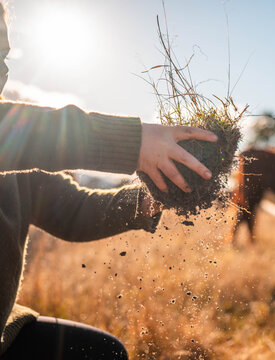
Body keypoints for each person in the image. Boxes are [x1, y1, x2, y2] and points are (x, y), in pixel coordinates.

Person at [0, 3, 215, 359]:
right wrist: (133, 142)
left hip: (5, 331)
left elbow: (71, 210)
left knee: (103, 352)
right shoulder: (15, 138)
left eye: (4, 53)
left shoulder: (20, 156)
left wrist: (151, 196)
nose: (2, 65)